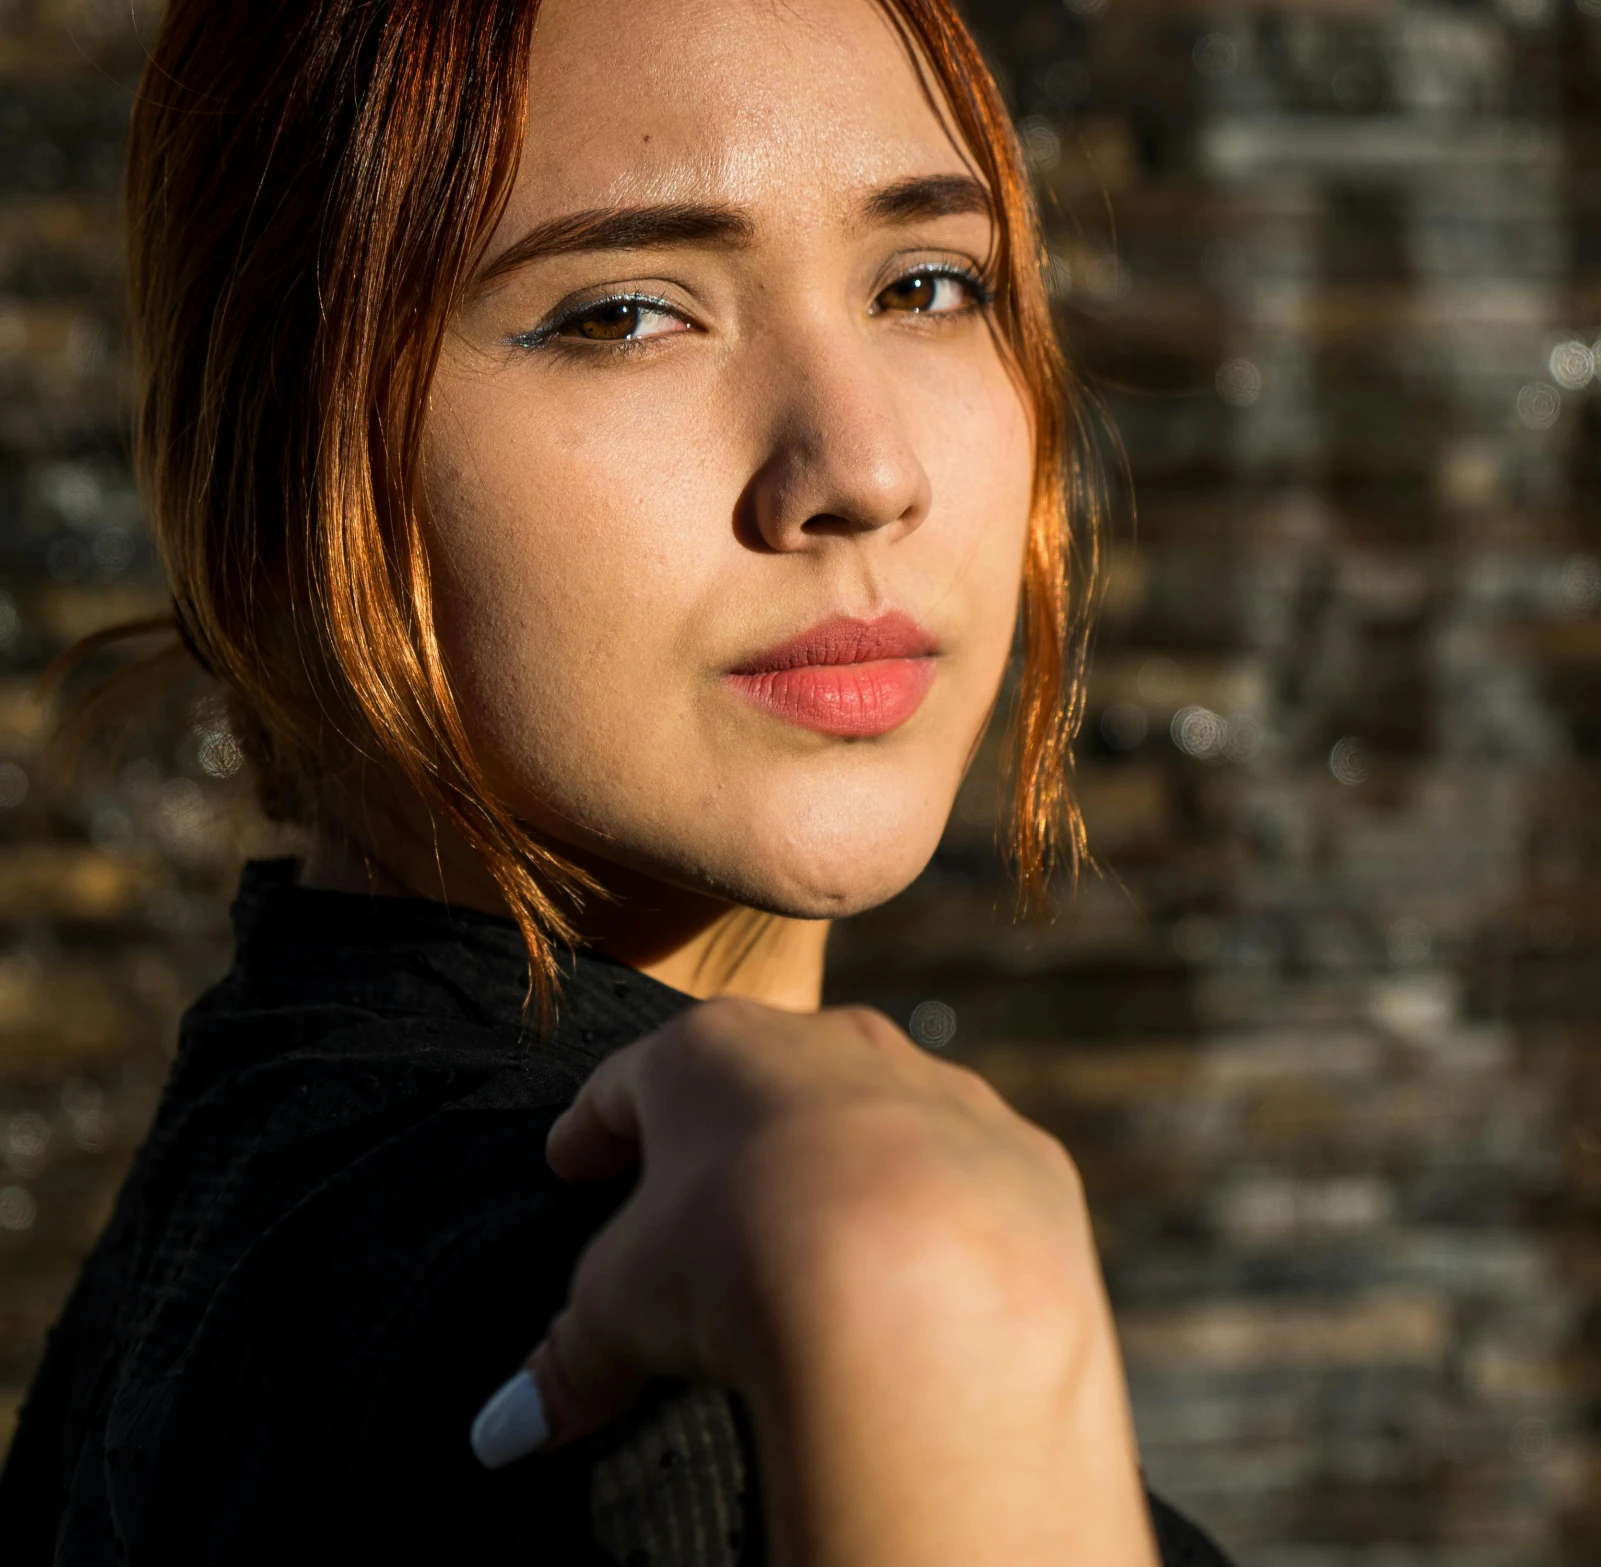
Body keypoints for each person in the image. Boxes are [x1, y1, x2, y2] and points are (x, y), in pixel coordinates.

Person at [0, 0, 1236, 1561]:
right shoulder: (634, 1357)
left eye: (925, 283)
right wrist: (921, 1290)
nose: (861, 468)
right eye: (621, 314)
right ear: (272, 470)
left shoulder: (269, 1189)